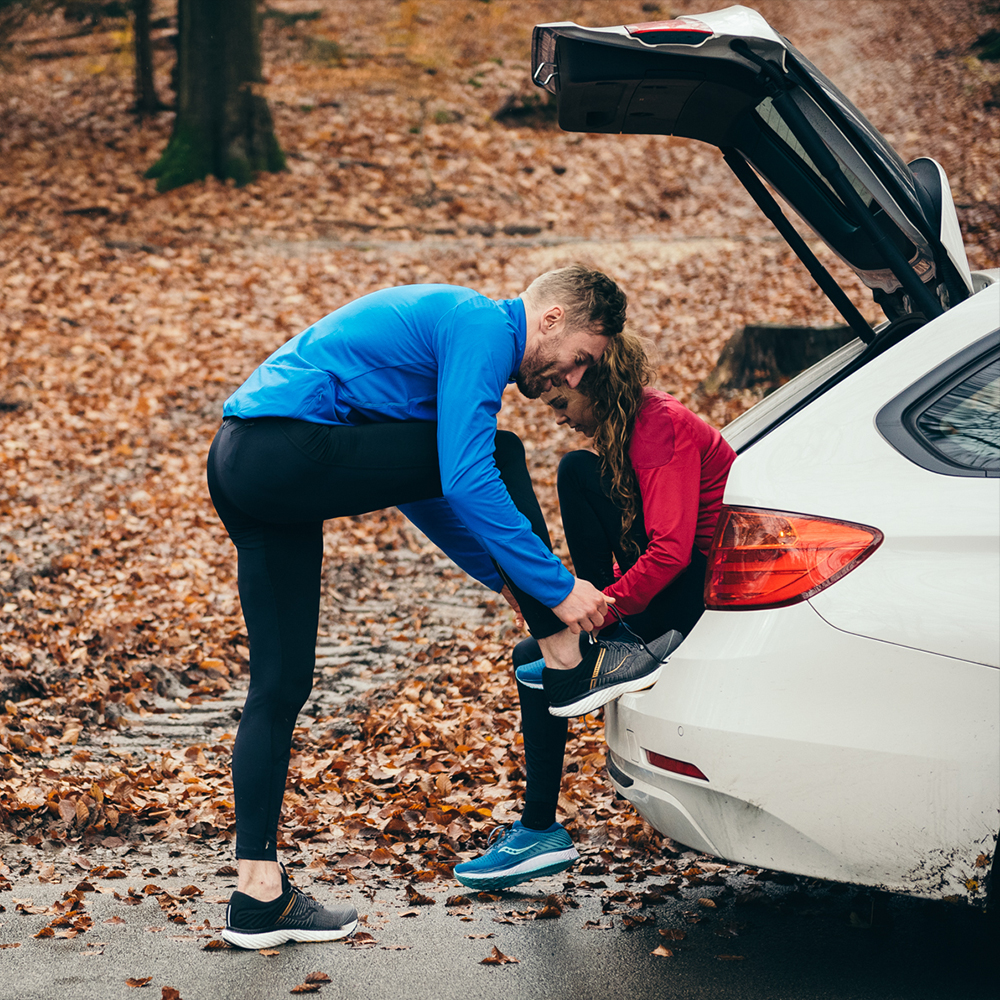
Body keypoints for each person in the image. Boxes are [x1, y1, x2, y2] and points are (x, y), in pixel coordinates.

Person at [206, 266, 672, 949]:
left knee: (280, 685)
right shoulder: (482, 325)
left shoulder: (458, 337)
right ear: (550, 320)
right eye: (580, 359)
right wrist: (558, 589)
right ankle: (567, 657)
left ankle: (257, 896)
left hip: (244, 464)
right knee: (501, 450)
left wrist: (504, 577)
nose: (573, 379)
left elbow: (426, 488)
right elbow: (466, 472)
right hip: (284, 447)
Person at [453, 332, 737, 890]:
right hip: (673, 582)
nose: (559, 418)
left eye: (560, 404)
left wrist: (598, 614)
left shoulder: (661, 425)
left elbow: (673, 552)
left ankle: (539, 828)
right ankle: (539, 829)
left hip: (698, 590)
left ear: (587, 380)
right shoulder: (633, 426)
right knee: (577, 471)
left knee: (539, 652)